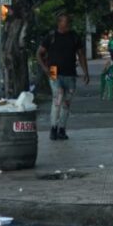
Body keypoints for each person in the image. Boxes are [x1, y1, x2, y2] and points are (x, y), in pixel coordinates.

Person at [36, 13, 90, 141]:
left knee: (66, 103)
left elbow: (81, 55)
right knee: (57, 98)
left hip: (70, 73)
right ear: (59, 23)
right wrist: (45, 69)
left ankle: (62, 129)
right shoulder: (51, 36)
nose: (67, 27)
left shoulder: (74, 36)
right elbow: (39, 53)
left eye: (69, 24)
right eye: (65, 24)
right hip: (54, 71)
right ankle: (53, 128)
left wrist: (85, 72)